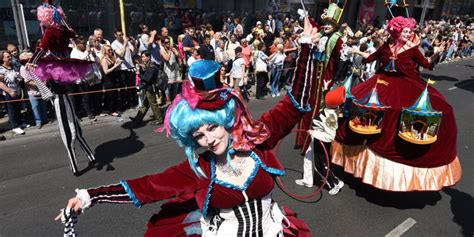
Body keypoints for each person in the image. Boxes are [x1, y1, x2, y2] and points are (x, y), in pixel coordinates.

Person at [55, 17, 320, 236]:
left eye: (212, 128)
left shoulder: (259, 139)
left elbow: (297, 103)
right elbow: (148, 186)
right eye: (199, 135)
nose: (209, 140)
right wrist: (90, 196)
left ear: (227, 121)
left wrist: (306, 48)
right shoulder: (200, 169)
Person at [334, 16, 461, 191]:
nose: (409, 34)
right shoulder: (386, 46)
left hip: (408, 83)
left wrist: (437, 53)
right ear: (397, 32)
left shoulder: (413, 49)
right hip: (383, 81)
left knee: (441, 109)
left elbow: (427, 65)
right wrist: (356, 53)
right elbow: (371, 57)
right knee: (355, 99)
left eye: (410, 31)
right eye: (406, 31)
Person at [27, 0, 96, 176]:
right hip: (64, 72)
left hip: (56, 76)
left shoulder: (50, 31)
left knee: (65, 122)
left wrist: (32, 62)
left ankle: (74, 164)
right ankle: (89, 154)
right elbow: (71, 31)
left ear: (45, 16)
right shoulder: (64, 30)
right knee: (71, 117)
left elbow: (42, 48)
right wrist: (62, 17)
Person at [294, 3, 345, 194]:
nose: (326, 26)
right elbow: (313, 28)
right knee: (309, 145)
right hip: (316, 94)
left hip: (324, 117)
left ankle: (333, 182)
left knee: (318, 150)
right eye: (326, 23)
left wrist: (331, 83)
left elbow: (340, 61)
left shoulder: (337, 40)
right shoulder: (323, 37)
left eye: (330, 24)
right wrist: (306, 18)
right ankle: (308, 179)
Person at [130, 51, 165, 125]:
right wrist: (141, 69)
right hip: (147, 87)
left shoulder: (152, 66)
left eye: (143, 56)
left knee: (153, 104)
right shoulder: (147, 65)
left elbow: (148, 78)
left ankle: (159, 119)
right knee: (145, 104)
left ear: (148, 57)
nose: (142, 58)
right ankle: (138, 119)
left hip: (151, 88)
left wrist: (139, 74)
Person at [0, 51, 28, 135]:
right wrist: (9, 91)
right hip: (9, 93)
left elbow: (18, 78)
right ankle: (14, 126)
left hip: (17, 91)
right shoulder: (1, 69)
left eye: (10, 56)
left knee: (17, 109)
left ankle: (20, 123)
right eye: (8, 56)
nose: (10, 58)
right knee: (11, 110)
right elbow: (0, 83)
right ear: (2, 59)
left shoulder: (13, 67)